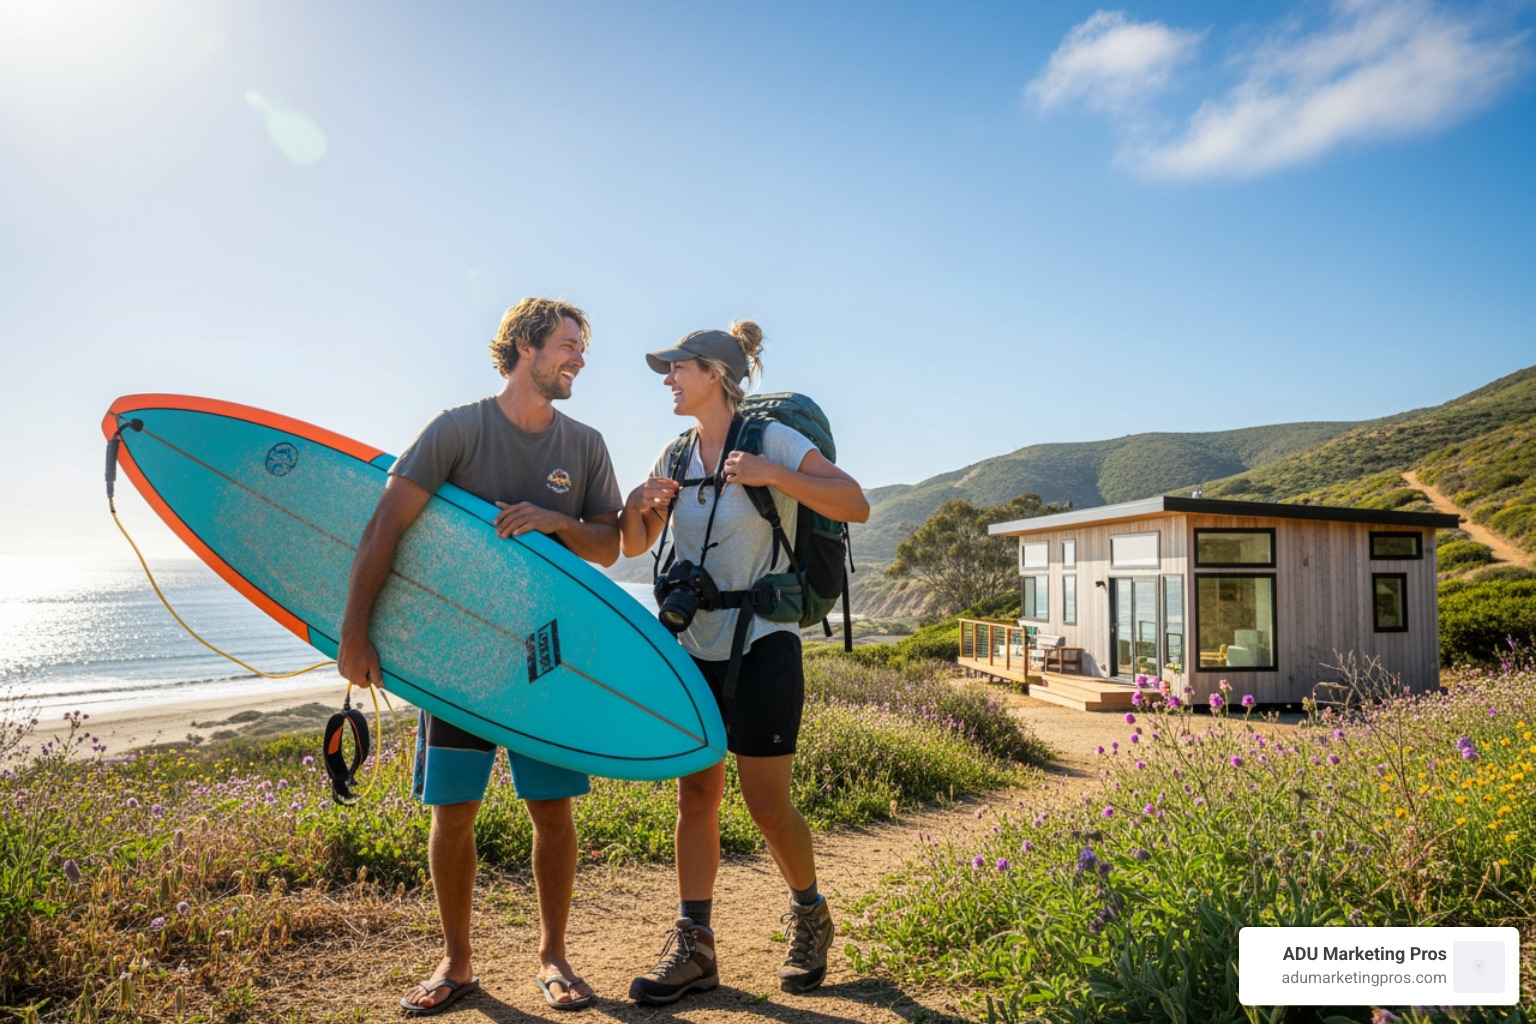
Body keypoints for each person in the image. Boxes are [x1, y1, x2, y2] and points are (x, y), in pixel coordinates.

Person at [338, 298, 621, 1015]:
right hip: (457, 660)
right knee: (453, 810)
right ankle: (458, 963)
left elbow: (610, 545)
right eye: (568, 345)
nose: (579, 360)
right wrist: (354, 632)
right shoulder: (457, 430)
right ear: (525, 346)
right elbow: (385, 525)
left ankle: (553, 956)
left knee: (552, 810)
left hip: (547, 661)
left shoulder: (584, 445)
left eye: (581, 348)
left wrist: (560, 521)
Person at [617, 321, 870, 1004]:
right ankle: (695, 945)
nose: (668, 381)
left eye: (677, 369)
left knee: (766, 805)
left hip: (762, 644)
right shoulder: (673, 453)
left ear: (714, 374)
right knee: (694, 795)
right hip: (692, 644)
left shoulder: (772, 440)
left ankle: (809, 912)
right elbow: (636, 542)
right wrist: (637, 507)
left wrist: (773, 475)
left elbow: (856, 503)